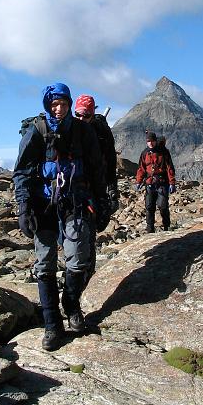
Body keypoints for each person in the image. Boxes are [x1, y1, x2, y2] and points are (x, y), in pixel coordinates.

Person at [13, 83, 105, 351]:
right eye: (54, 104)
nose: (59, 108)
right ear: (47, 105)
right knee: (45, 265)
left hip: (75, 202)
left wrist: (101, 202)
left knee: (78, 260)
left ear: (69, 104)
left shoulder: (82, 131)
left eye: (63, 104)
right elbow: (22, 171)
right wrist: (24, 207)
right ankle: (52, 325)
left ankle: (71, 304)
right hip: (43, 206)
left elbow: (96, 168)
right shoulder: (37, 131)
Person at [74, 93, 117, 283]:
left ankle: (86, 279)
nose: (81, 119)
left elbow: (110, 163)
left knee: (89, 234)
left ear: (92, 114)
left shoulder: (102, 134)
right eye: (78, 114)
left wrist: (112, 191)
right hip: (70, 190)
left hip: (93, 189)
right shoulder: (68, 129)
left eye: (86, 115)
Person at [135, 131, 176, 233]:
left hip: (162, 182)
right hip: (149, 183)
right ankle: (150, 229)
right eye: (148, 141)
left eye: (152, 141)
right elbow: (141, 168)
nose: (151, 143)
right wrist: (138, 181)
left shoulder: (163, 152)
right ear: (146, 142)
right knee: (149, 206)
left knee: (163, 206)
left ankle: (166, 227)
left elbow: (169, 167)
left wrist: (172, 182)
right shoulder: (144, 153)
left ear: (155, 141)